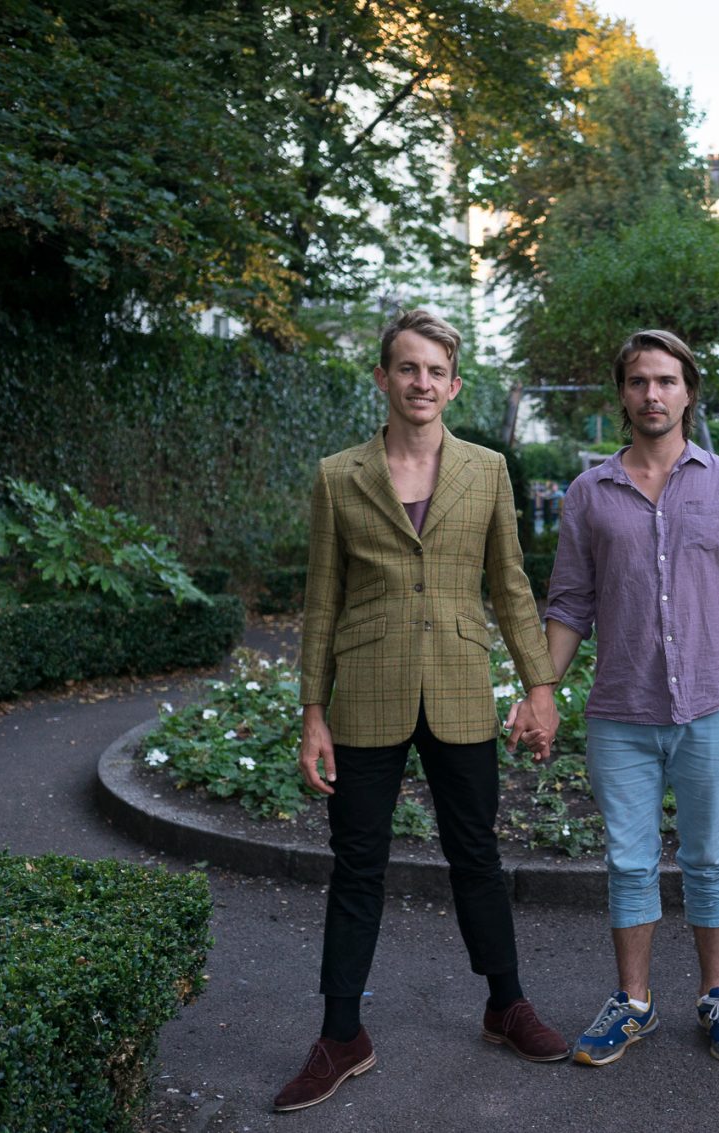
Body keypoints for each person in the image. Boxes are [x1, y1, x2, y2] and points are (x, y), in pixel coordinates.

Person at [277, 309, 568, 1113]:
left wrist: (538, 685)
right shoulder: (341, 474)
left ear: (454, 383)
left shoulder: (487, 469)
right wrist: (312, 710)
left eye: (436, 371)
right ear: (383, 377)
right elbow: (321, 601)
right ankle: (342, 1035)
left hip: (459, 687)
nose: (422, 383)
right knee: (357, 867)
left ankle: (505, 1005)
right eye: (407, 368)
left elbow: (509, 583)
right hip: (366, 692)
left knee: (476, 852)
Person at [541, 328, 719, 1066]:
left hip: (711, 703)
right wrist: (539, 691)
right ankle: (634, 1004)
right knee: (629, 861)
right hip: (620, 711)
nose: (652, 394)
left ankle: (716, 995)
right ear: (622, 395)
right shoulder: (589, 492)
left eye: (666, 381)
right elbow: (570, 603)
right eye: (639, 381)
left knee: (709, 855)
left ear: (688, 391)